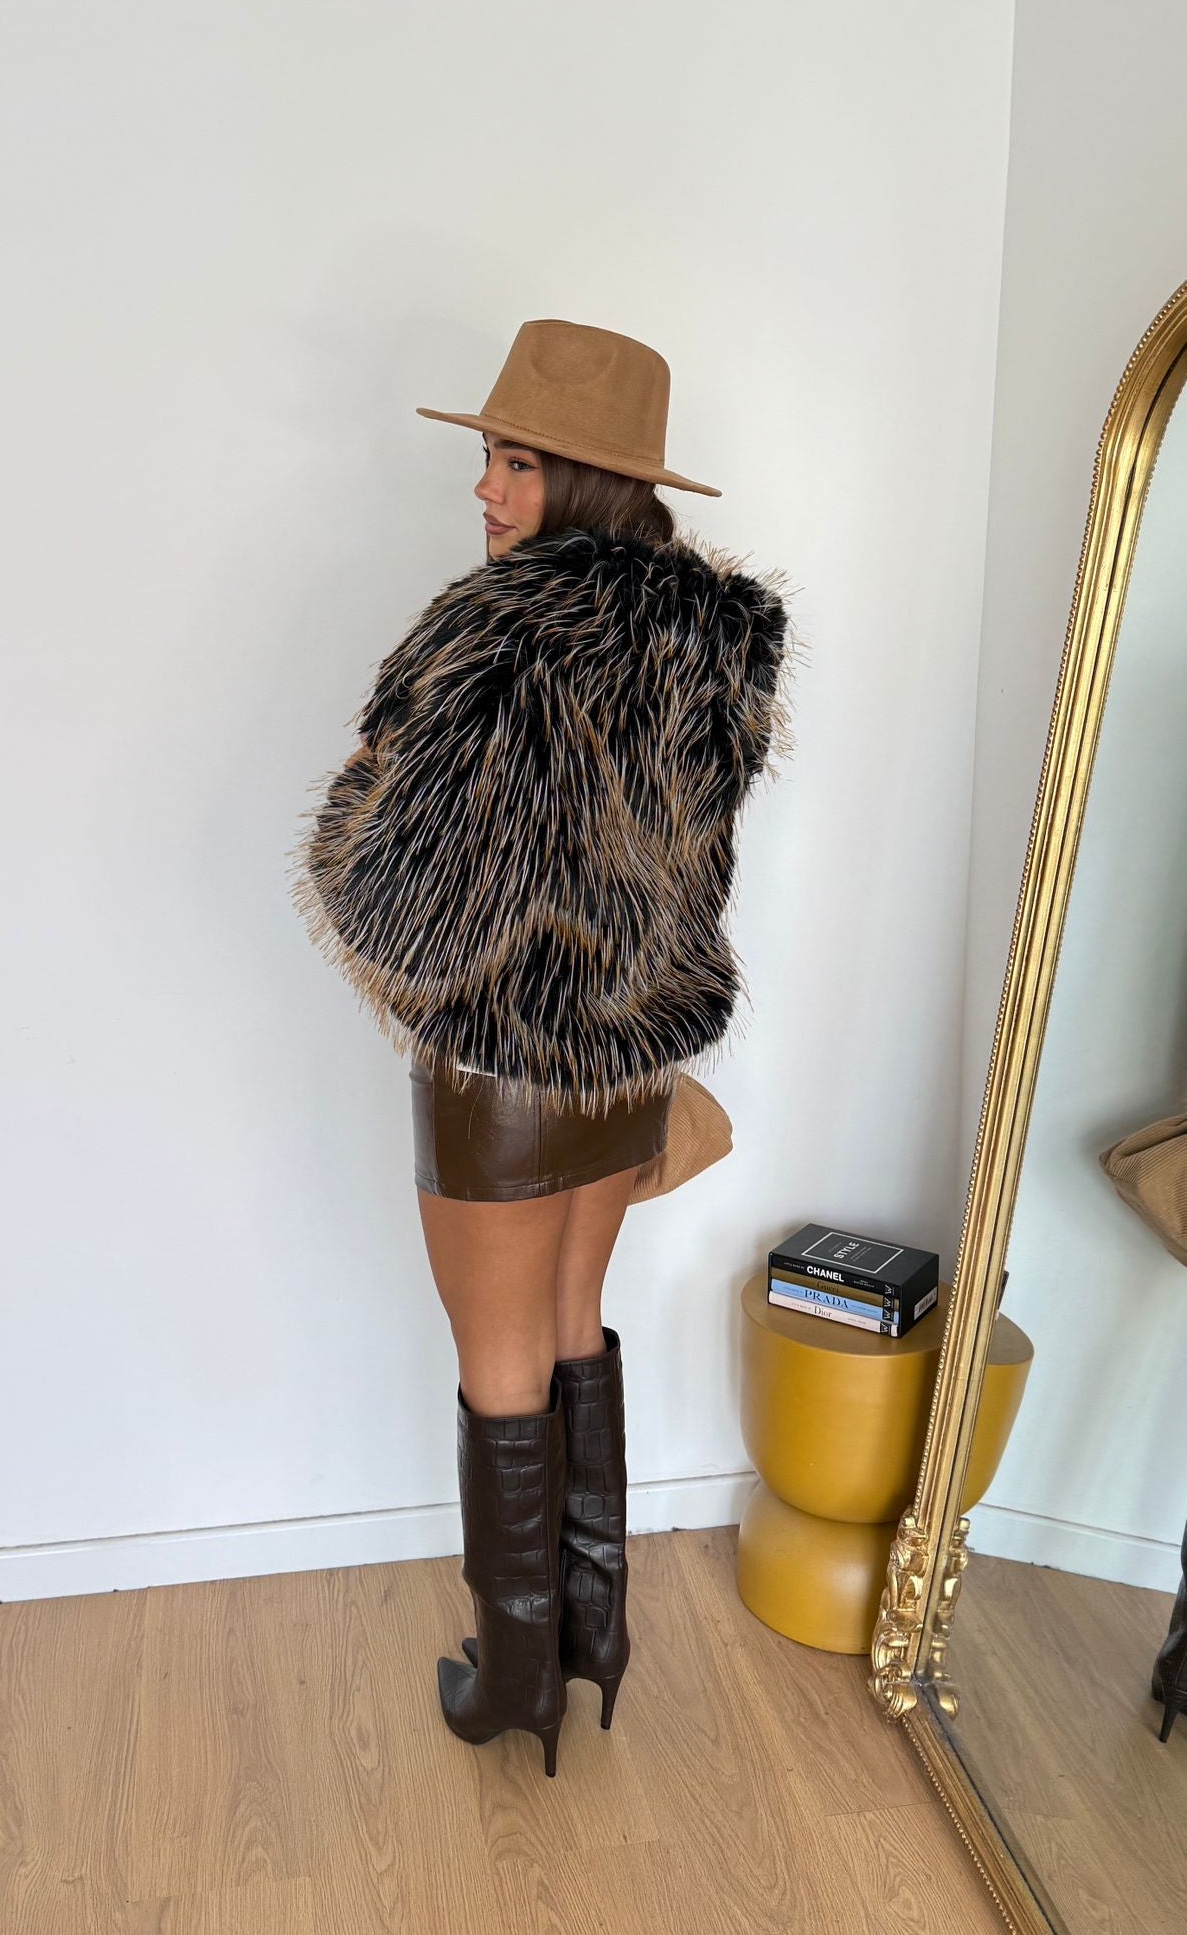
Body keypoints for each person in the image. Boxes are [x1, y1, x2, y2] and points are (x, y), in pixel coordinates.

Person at [290, 319, 796, 1779]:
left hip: (506, 1071)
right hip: (625, 1064)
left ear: (580, 479)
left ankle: (515, 1676)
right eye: (490, 461)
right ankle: (593, 1632)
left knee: (500, 1358)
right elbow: (692, 869)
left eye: (514, 463)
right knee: (574, 1324)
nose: (485, 490)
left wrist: (352, 815)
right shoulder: (712, 639)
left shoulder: (494, 631)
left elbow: (395, 897)